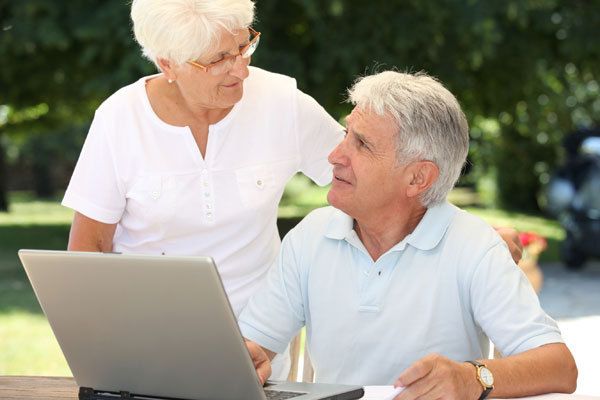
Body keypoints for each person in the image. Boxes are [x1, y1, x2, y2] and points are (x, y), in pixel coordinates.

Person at [62, 0, 521, 381]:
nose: (239, 68)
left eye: (244, 46)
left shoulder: (280, 101)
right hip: (146, 341)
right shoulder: (119, 119)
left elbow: (379, 176)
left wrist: (470, 234)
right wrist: (99, 348)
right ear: (169, 64)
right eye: (218, 59)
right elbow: (88, 247)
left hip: (258, 342)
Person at [240, 71, 577, 399]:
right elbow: (256, 345)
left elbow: (559, 366)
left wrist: (473, 377)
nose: (335, 155)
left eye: (361, 144)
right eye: (346, 134)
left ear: (418, 178)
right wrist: (249, 358)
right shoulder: (311, 235)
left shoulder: (474, 246)